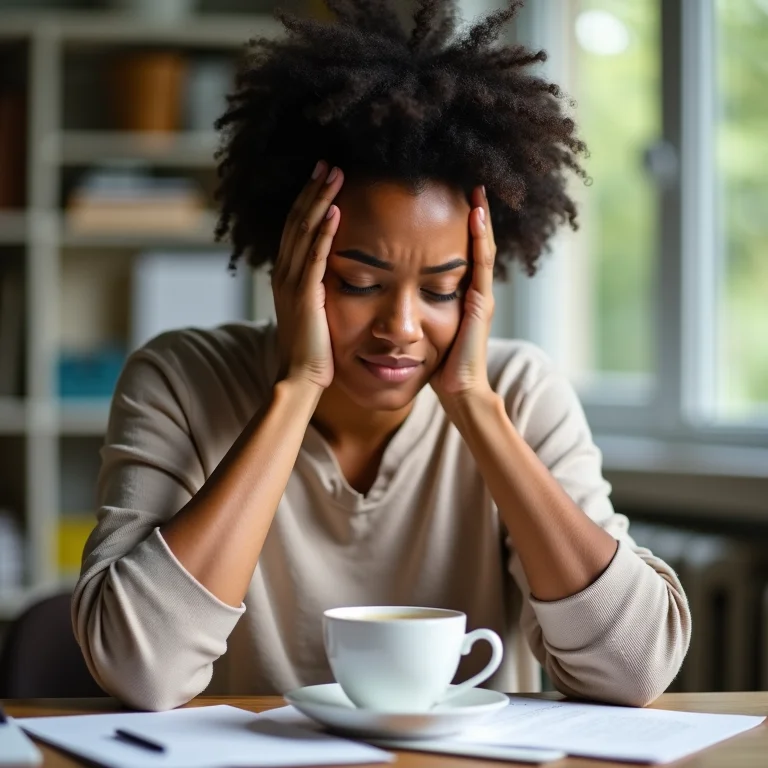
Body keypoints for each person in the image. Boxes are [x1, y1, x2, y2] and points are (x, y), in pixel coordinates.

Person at [72, 0, 690, 712]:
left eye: (441, 289)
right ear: (292, 259)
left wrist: (475, 409)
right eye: (359, 283)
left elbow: (635, 668)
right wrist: (298, 388)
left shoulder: (520, 392)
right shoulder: (181, 382)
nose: (401, 327)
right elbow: (139, 669)